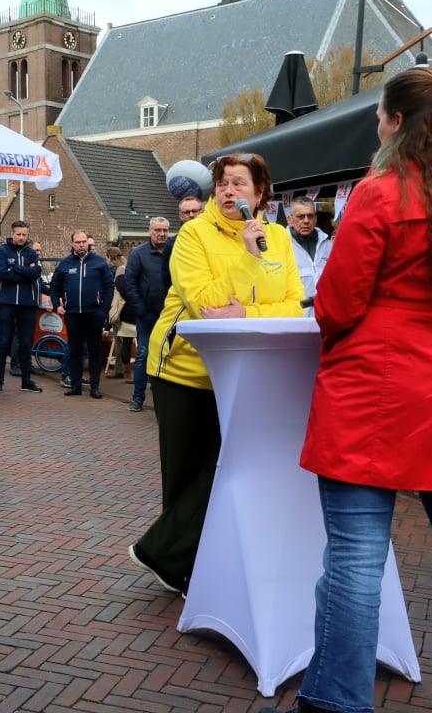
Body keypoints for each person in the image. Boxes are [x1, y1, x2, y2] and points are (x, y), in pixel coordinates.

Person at [270, 68, 432, 713]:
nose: (377, 128)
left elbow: (338, 303)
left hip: (377, 393)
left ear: (397, 123)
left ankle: (336, 698)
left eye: (379, 117)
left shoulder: (380, 193)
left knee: (356, 556)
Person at [129, 152, 303, 596]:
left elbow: (294, 303)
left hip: (249, 372)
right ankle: (184, 569)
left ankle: (166, 553)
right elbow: (205, 305)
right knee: (187, 474)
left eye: (239, 183)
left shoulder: (278, 238)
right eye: (222, 183)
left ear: (260, 193)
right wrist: (246, 260)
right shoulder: (192, 235)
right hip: (185, 371)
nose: (229, 191)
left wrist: (246, 310)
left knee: (233, 466)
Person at [51, 229, 113, 398]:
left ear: (88, 243)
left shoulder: (99, 262)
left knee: (94, 351)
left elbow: (109, 287)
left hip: (94, 313)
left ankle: (95, 387)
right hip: (73, 314)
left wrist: (104, 309)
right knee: (75, 350)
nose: (81, 245)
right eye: (78, 242)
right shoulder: (65, 263)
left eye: (84, 242)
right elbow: (54, 286)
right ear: (72, 243)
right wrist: (57, 304)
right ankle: (75, 385)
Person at [123, 216, 170, 411]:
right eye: (157, 230)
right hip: (147, 314)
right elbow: (129, 282)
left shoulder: (175, 250)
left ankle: (166, 401)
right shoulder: (138, 253)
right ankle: (138, 397)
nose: (161, 234)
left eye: (165, 230)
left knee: (169, 357)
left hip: (170, 314)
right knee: (143, 354)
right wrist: (140, 308)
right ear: (150, 231)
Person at [0, 221, 44, 393]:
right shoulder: (2, 251)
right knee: (3, 342)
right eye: (18, 234)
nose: (21, 237)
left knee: (25, 343)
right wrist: (24, 271)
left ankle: (26, 381)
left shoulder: (31, 252)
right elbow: (2, 274)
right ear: (12, 234)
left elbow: (35, 274)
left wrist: (14, 268)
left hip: (27, 303)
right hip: (6, 302)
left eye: (24, 234)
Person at [286, 196, 333, 304]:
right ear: (290, 220)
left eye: (310, 216)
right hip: (296, 316)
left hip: (325, 315)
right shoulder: (282, 247)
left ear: (315, 219)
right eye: (300, 216)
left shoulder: (329, 246)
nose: (306, 221)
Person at [161, 195, 204, 290]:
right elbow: (167, 278)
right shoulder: (171, 245)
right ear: (180, 216)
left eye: (195, 211)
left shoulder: (213, 237)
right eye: (187, 212)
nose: (191, 215)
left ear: (201, 212)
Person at [105, 247, 134, 379]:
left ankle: (123, 372)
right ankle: (124, 371)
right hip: (134, 310)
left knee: (123, 343)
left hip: (125, 311)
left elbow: (122, 290)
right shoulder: (131, 268)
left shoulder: (121, 269)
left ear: (110, 257)